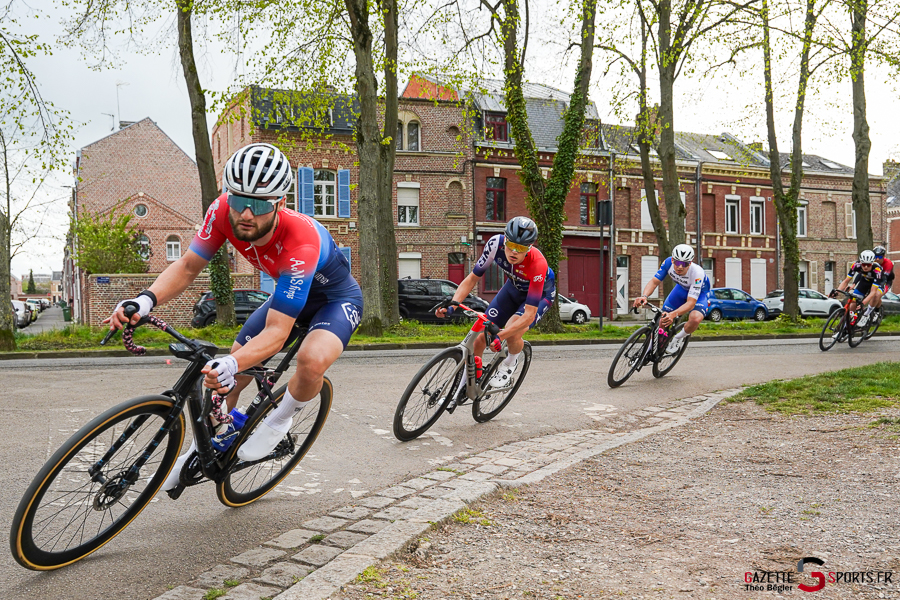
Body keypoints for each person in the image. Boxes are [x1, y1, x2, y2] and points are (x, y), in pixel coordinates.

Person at [105, 143, 363, 491]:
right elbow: (187, 266)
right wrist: (146, 300)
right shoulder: (222, 211)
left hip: (333, 300)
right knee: (226, 377)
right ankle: (205, 448)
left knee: (310, 359)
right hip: (286, 297)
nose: (245, 214)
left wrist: (233, 362)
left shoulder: (300, 241)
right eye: (239, 201)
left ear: (279, 204)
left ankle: (279, 420)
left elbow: (276, 331)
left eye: (258, 206)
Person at [436, 216, 555, 387]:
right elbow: (471, 279)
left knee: (513, 331)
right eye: (511, 245)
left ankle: (510, 362)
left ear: (529, 248)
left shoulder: (538, 264)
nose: (514, 252)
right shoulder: (494, 244)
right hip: (512, 288)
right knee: (479, 339)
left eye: (520, 248)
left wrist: (500, 336)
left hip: (539, 296)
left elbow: (529, 315)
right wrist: (452, 305)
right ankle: (469, 383)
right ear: (505, 240)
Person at [633, 244, 710, 355]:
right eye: (677, 262)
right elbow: (654, 282)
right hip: (681, 289)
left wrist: (673, 315)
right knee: (663, 320)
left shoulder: (697, 273)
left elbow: (691, 303)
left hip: (700, 295)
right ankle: (650, 349)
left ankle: (678, 338)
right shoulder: (668, 263)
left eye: (685, 264)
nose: (680, 267)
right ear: (673, 260)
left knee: (695, 319)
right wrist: (644, 296)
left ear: (690, 263)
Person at [833, 250, 884, 327]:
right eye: (863, 264)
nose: (866, 267)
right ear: (860, 263)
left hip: (878, 283)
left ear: (872, 263)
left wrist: (863, 303)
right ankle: (850, 320)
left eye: (868, 265)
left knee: (876, 295)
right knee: (853, 300)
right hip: (865, 281)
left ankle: (867, 315)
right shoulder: (856, 265)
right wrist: (837, 292)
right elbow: (846, 281)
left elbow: (873, 292)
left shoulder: (877, 270)